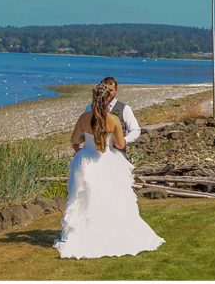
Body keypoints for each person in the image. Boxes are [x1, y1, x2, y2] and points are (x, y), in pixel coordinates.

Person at [54, 82, 163, 259]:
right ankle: (111, 231)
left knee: (84, 198)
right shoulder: (113, 120)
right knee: (111, 198)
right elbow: (120, 144)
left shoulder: (83, 117)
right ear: (108, 99)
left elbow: (74, 139)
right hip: (108, 160)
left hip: (86, 161)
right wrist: (109, 141)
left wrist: (84, 139)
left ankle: (85, 233)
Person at [79, 76, 140, 154]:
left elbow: (135, 130)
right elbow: (85, 128)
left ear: (116, 91)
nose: (107, 94)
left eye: (110, 90)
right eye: (105, 90)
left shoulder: (125, 108)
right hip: (94, 154)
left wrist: (124, 140)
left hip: (117, 154)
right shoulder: (89, 108)